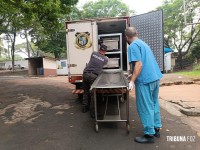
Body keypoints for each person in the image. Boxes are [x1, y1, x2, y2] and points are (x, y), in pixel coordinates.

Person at [125, 27, 163, 143]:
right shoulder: (143, 44)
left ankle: (149, 135)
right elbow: (144, 62)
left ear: (127, 37)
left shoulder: (132, 46)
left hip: (145, 81)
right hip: (155, 77)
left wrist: (132, 81)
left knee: (145, 107)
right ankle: (156, 128)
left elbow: (139, 64)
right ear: (137, 34)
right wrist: (132, 75)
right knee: (154, 103)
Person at [82, 44, 108, 114]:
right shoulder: (105, 59)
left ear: (99, 49)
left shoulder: (93, 53)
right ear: (105, 51)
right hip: (93, 76)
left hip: (85, 73)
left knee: (86, 92)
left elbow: (93, 60)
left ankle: (84, 108)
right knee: (93, 94)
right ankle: (93, 113)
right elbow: (102, 64)